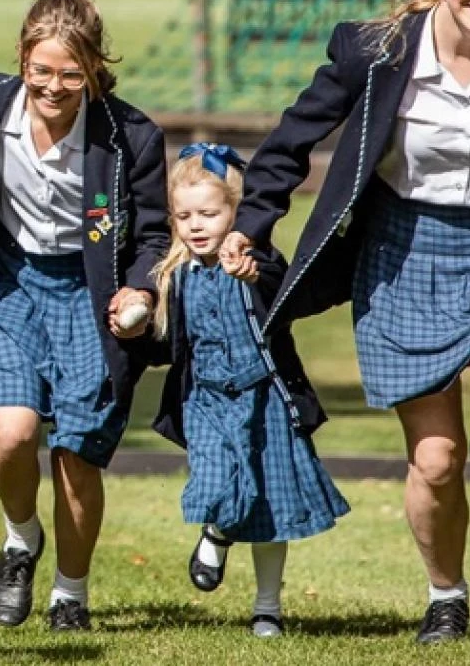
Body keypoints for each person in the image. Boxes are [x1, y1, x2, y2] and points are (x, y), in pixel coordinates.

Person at [220, 0, 470, 643]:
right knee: (433, 460)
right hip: (400, 252)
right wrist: (252, 225)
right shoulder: (374, 50)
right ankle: (447, 596)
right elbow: (287, 142)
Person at [0, 0, 169, 632]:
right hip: (10, 284)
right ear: (20, 58)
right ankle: (21, 539)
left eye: (72, 74)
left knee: (75, 454)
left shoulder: (131, 136)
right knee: (12, 431)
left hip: (89, 295)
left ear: (96, 69)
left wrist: (141, 289)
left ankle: (70, 594)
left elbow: (154, 234)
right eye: (40, 70)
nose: (54, 86)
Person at [139, 144, 347, 638]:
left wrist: (255, 271)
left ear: (236, 212)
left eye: (209, 213)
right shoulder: (174, 274)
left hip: (266, 400)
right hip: (206, 400)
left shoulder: (259, 263)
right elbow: (162, 343)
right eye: (184, 215)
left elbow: (280, 285)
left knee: (272, 506)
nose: (195, 225)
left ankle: (267, 607)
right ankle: (217, 529)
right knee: (215, 482)